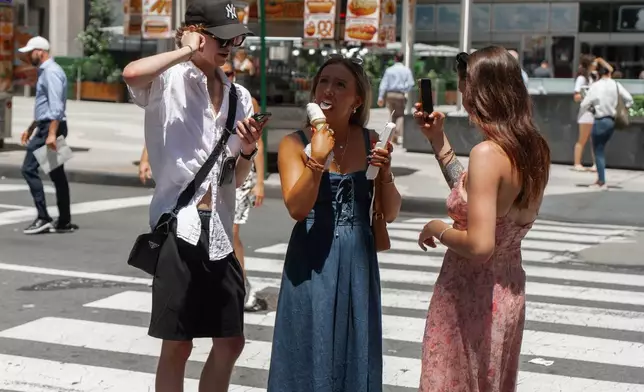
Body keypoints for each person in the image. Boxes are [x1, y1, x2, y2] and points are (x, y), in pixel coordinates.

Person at [122, 1, 268, 391]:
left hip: (218, 228)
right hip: (179, 226)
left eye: (236, 38)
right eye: (221, 36)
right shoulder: (167, 82)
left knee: (231, 341)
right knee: (178, 345)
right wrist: (186, 50)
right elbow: (131, 73)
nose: (230, 45)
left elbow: (233, 177)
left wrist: (250, 151)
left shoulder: (240, 97)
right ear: (197, 34)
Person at [414, 46, 551, 391]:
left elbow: (479, 245)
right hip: (507, 290)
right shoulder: (534, 148)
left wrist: (439, 229)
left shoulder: (488, 153)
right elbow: (476, 194)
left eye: (464, 86)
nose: (461, 94)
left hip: (471, 293)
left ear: (479, 90)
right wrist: (438, 141)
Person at [268, 55, 402, 392]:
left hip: (357, 260)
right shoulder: (293, 144)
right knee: (308, 346)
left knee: (353, 348)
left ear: (357, 100)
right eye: (323, 81)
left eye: (340, 84)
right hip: (311, 260)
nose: (329, 89)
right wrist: (317, 160)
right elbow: (297, 209)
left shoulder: (372, 139)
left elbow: (393, 211)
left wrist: (384, 173)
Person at [18, 36, 76, 235]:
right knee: (56, 173)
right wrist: (31, 127)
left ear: (40, 51)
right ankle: (64, 221)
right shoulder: (46, 71)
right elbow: (45, 107)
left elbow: (56, 108)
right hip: (47, 126)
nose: (27, 56)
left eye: (30, 52)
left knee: (28, 169)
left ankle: (43, 217)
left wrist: (50, 133)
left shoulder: (51, 72)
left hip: (51, 128)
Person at [221, 60, 265, 311]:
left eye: (228, 72)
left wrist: (259, 181)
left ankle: (241, 287)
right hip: (217, 176)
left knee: (233, 233)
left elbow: (255, 144)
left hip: (243, 175)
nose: (224, 76)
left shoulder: (245, 99)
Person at [580, 61, 633, 190]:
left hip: (599, 120)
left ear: (598, 73)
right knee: (601, 150)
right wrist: (621, 108)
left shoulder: (596, 86)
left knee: (598, 151)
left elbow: (584, 104)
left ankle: (601, 181)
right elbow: (629, 99)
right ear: (609, 73)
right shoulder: (616, 85)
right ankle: (600, 179)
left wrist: (591, 108)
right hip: (611, 121)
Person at [377, 51, 414, 144]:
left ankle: (393, 135)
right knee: (400, 115)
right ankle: (396, 131)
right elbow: (411, 83)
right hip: (400, 94)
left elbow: (383, 84)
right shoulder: (406, 70)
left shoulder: (389, 70)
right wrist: (404, 89)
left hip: (389, 94)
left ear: (395, 59)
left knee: (392, 115)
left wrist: (380, 97)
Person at [572, 54, 597, 172]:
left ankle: (595, 164)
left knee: (595, 139)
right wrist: (585, 95)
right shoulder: (581, 78)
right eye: (594, 63)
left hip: (595, 111)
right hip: (585, 112)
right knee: (583, 138)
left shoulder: (593, 77)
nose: (596, 65)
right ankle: (577, 163)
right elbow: (576, 96)